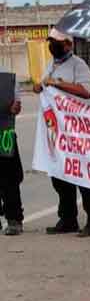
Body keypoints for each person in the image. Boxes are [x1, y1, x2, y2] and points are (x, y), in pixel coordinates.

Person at [35, 29, 90, 237]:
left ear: (68, 45)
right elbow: (45, 85)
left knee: (84, 174)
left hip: (79, 129)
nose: (52, 47)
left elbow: (85, 91)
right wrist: (40, 86)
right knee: (60, 175)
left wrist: (58, 84)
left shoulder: (78, 65)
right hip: (59, 132)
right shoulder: (51, 64)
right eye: (51, 43)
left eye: (56, 43)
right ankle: (68, 218)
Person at [0, 70, 23, 235]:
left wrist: (15, 107)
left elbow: (17, 106)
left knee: (9, 178)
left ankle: (14, 219)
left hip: (5, 133)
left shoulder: (7, 79)